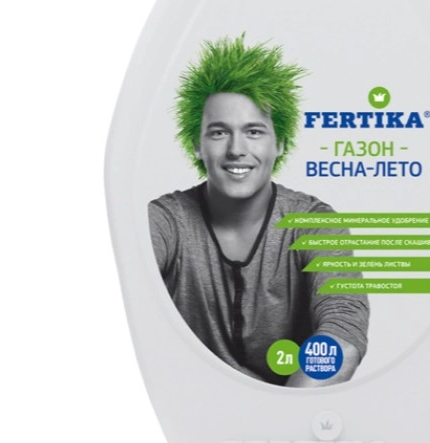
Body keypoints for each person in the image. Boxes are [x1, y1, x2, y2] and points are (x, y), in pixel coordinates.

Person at [149, 35, 369, 386]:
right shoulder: (166, 220)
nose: (237, 149)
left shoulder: (314, 222)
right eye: (219, 132)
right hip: (187, 408)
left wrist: (288, 410)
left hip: (292, 408)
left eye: (254, 131)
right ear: (196, 144)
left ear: (279, 143)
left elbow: (343, 327)